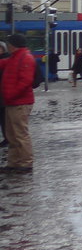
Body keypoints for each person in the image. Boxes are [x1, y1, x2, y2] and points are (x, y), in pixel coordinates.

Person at [0, 34, 37, 174]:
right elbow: (3, 63)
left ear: (14, 45)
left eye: (9, 43)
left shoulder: (25, 58)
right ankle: (14, 162)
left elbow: (26, 81)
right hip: (11, 102)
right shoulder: (15, 57)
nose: (7, 46)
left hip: (19, 102)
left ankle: (26, 164)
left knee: (20, 134)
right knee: (11, 135)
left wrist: (10, 94)